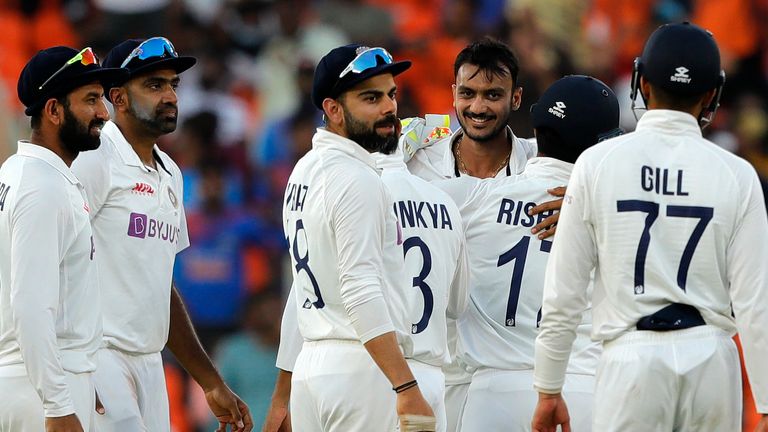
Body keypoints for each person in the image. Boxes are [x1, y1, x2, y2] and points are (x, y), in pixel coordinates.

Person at [532, 22, 768, 432]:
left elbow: (564, 292)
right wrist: (766, 401)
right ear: (712, 93)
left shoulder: (599, 162)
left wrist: (549, 388)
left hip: (630, 360)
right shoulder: (738, 174)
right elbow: (756, 302)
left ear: (640, 82)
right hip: (711, 358)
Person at [70, 37, 251, 432]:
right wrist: (67, 373)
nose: (170, 96)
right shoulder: (94, 158)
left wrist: (210, 381)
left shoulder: (172, 172)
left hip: (150, 364)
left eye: (173, 85)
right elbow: (51, 261)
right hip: (97, 357)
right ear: (117, 97)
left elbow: (159, 288)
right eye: (154, 85)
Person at [437, 75, 621, 432]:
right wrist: (598, 201)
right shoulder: (612, 215)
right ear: (603, 144)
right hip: (581, 390)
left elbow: (394, 196)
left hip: (490, 397)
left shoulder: (470, 199)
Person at [281, 44, 435, 431]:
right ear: (332, 110)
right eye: (371, 98)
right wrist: (406, 384)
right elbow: (360, 289)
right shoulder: (358, 178)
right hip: (362, 369)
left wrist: (282, 390)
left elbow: (300, 291)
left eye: (391, 94)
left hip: (312, 367)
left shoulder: (303, 169)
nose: (389, 108)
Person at [0, 46, 126, 432]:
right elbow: (31, 306)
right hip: (40, 390)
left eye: (102, 99)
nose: (104, 113)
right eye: (90, 100)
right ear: (53, 110)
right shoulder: (43, 187)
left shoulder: (17, 172)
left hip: (36, 379)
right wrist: (59, 402)